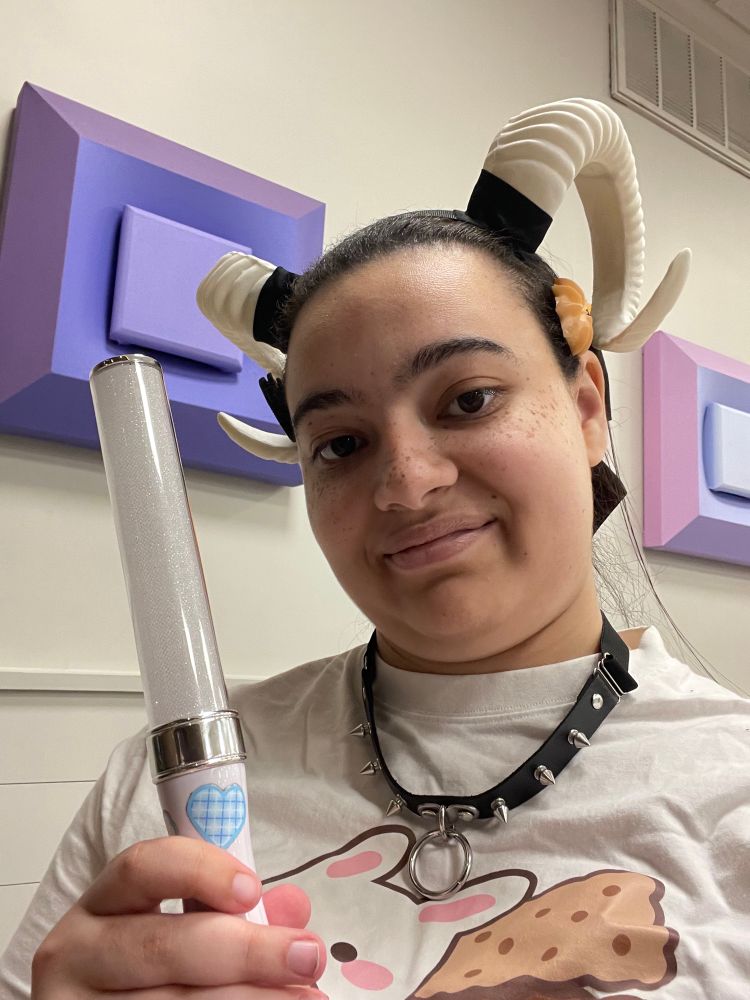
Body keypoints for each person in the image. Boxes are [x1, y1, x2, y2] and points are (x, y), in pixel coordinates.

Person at [2, 98, 749, 1000]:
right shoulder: (163, 791)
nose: (406, 481)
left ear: (587, 407)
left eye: (468, 400)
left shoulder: (730, 788)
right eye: (342, 443)